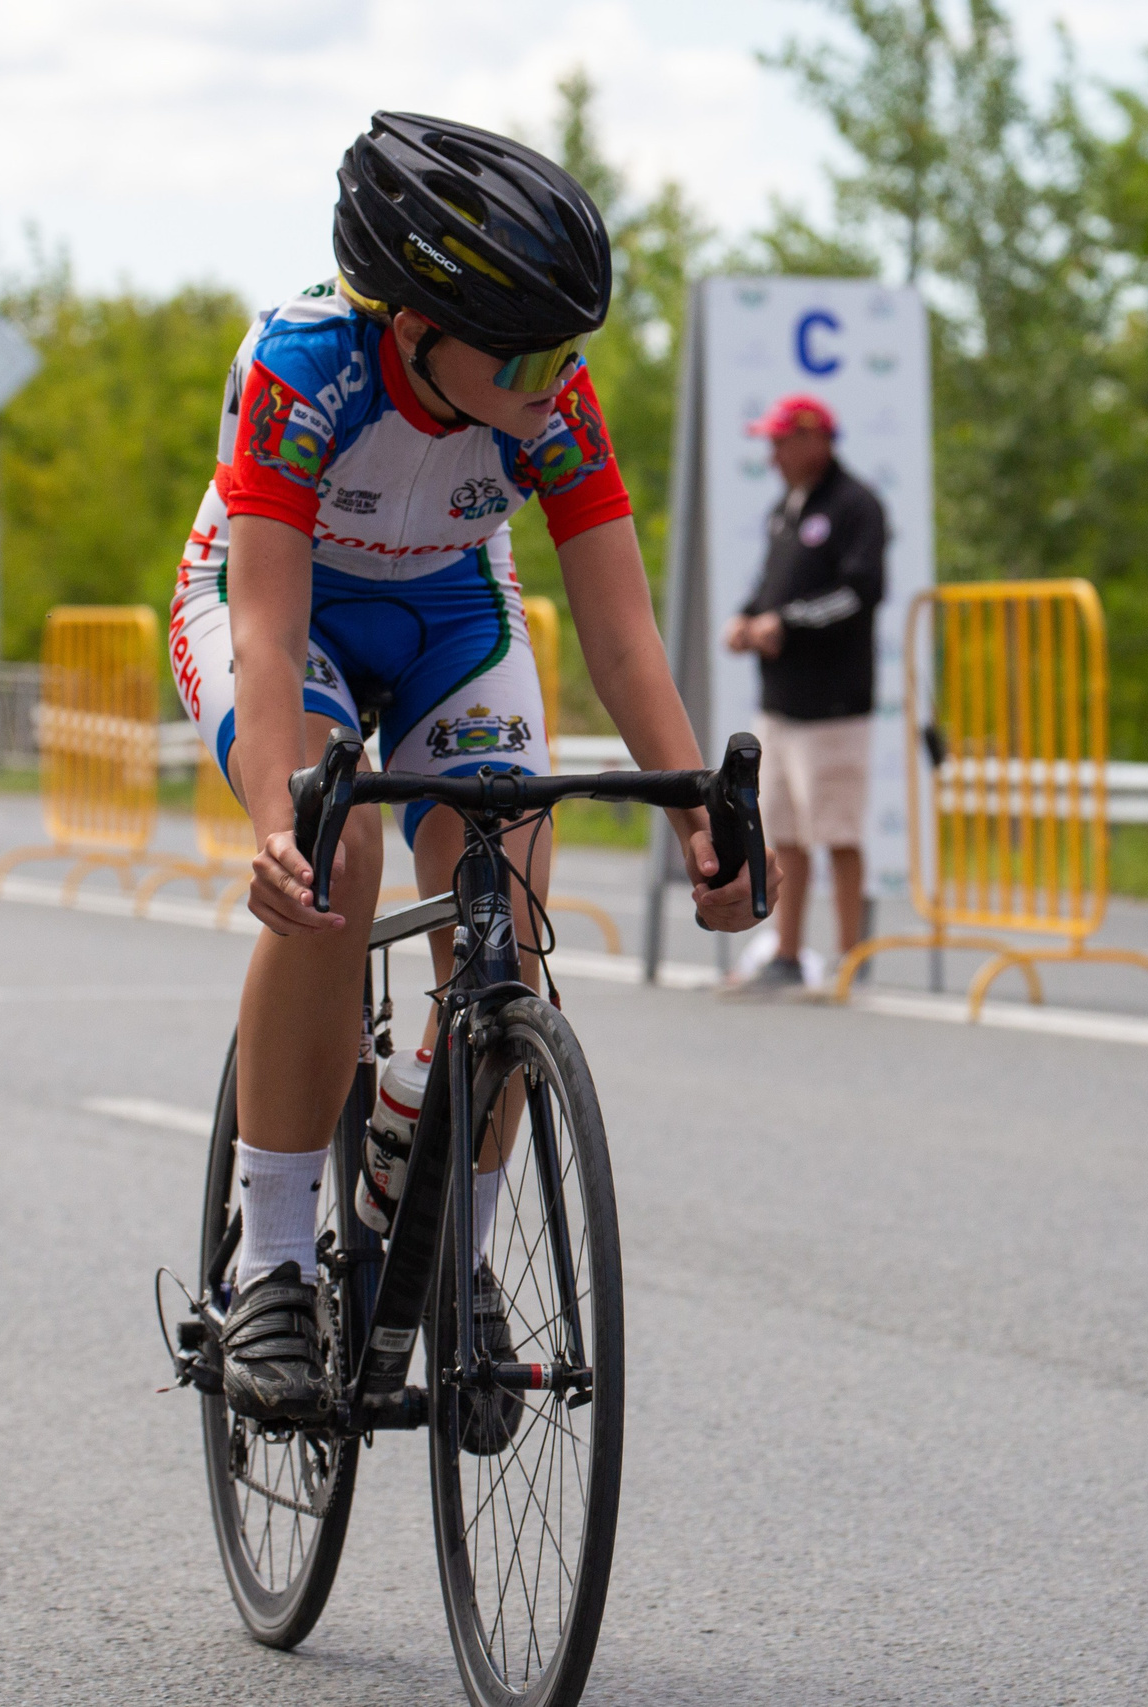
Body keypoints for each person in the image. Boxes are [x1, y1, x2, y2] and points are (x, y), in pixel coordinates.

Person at [168, 112, 764, 1422]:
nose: (559, 376)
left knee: (509, 919)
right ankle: (273, 1264)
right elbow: (264, 630)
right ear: (416, 326)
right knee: (338, 855)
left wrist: (694, 814)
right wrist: (275, 825)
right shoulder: (303, 366)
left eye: (571, 350)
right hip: (286, 609)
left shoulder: (553, 404)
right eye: (530, 353)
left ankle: (454, 1244)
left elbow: (622, 634)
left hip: (452, 616)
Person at [720, 393, 888, 996]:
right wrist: (747, 618)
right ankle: (787, 954)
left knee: (837, 832)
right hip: (781, 701)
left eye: (780, 442)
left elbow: (859, 593)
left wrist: (785, 624)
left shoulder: (855, 504)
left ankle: (850, 960)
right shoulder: (786, 507)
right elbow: (771, 585)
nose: (772, 455)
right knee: (784, 832)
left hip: (833, 705)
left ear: (816, 439)